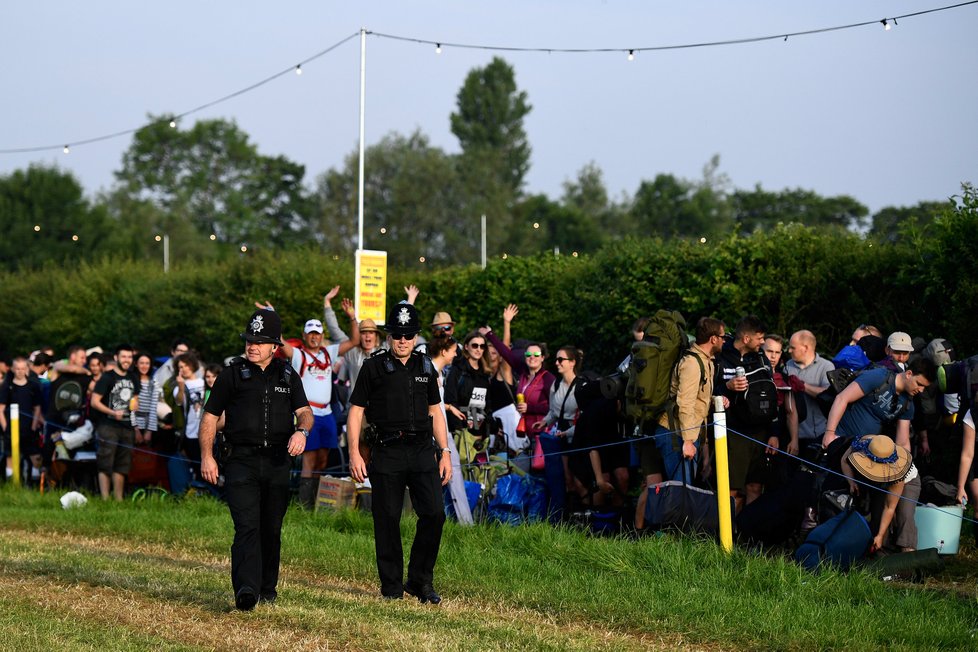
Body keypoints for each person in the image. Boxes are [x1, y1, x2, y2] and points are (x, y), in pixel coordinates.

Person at [199, 308, 312, 611]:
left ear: (275, 345)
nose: (252, 345)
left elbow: (305, 412)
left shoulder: (288, 374)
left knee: (271, 527)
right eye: (249, 339)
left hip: (277, 460)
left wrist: (301, 432)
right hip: (241, 460)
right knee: (247, 525)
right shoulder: (231, 375)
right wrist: (207, 457)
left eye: (260, 341)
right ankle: (246, 589)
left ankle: (267, 586)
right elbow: (209, 416)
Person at [347, 302, 452, 604]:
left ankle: (420, 581)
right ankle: (392, 587)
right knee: (387, 518)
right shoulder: (374, 367)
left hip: (421, 449)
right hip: (387, 450)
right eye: (397, 335)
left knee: (434, 514)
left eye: (408, 335)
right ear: (388, 336)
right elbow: (356, 412)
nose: (402, 341)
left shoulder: (426, 366)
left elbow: (436, 410)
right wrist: (355, 452)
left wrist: (444, 452)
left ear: (417, 336)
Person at [823, 356, 936, 552]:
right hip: (844, 440)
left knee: (904, 483)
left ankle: (890, 544)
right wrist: (829, 433)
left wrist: (903, 465)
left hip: (872, 452)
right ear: (909, 374)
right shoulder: (879, 377)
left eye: (925, 387)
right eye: (919, 384)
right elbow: (842, 398)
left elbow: (903, 441)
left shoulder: (908, 404)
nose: (921, 390)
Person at [634, 317, 724, 530]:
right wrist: (688, 441)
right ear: (713, 339)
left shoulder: (706, 361)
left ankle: (666, 537)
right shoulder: (693, 363)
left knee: (680, 489)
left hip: (685, 432)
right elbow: (684, 404)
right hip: (675, 433)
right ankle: (665, 538)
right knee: (678, 491)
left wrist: (715, 401)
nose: (725, 341)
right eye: (723, 337)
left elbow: (697, 399)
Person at [273, 298, 359, 508]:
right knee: (309, 461)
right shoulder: (298, 355)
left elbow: (355, 341)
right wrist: (272, 316)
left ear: (322, 336)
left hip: (327, 413)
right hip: (308, 414)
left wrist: (352, 317)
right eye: (310, 333)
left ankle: (319, 504)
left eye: (317, 333)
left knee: (323, 459)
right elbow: (279, 341)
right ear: (304, 336)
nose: (314, 337)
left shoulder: (328, 353)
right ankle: (305, 505)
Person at [840, 434, 915, 553]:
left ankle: (909, 556)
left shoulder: (898, 473)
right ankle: (880, 555)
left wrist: (879, 535)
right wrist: (851, 482)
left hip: (908, 482)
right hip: (882, 482)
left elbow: (889, 507)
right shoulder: (863, 443)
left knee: (904, 516)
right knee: (877, 518)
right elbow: (844, 461)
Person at [89, 344, 139, 500]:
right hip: (108, 425)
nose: (127, 360)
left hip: (127, 426)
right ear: (116, 358)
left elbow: (135, 399)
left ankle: (118, 500)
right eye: (123, 357)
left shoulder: (133, 377)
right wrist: (112, 412)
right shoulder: (107, 377)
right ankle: (104, 499)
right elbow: (94, 402)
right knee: (105, 463)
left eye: (129, 357)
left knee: (122, 465)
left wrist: (135, 404)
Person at [785, 330, 835, 456]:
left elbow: (829, 395)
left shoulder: (826, 367)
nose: (789, 351)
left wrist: (803, 386)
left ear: (806, 348)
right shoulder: (788, 366)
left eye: (793, 347)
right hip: (793, 436)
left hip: (819, 434)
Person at [0, 357, 45, 480]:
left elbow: (37, 408)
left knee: (35, 457)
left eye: (23, 368)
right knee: (11, 457)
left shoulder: (33, 386)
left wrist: (34, 426)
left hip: (29, 428)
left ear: (27, 369)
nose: (20, 371)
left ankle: (35, 484)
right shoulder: (7, 387)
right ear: (13, 369)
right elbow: (1, 409)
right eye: (17, 368)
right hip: (11, 429)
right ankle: (12, 483)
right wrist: (6, 428)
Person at [130, 352, 160, 447]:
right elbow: (130, 408)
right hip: (132, 425)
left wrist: (149, 431)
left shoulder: (154, 383)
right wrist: (136, 429)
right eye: (141, 363)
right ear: (136, 364)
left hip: (148, 424)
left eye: (147, 363)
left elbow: (153, 407)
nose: (144, 366)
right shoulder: (131, 381)